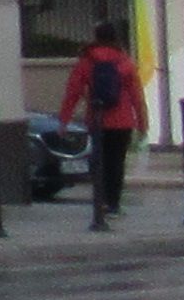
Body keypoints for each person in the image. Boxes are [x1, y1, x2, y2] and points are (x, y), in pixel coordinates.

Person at [59, 21, 147, 229]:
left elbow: (73, 92)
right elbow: (137, 95)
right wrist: (143, 123)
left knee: (99, 162)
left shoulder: (86, 61)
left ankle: (101, 202)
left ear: (95, 36)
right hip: (123, 120)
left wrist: (64, 120)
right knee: (117, 162)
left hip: (97, 118)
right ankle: (114, 204)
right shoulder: (125, 61)